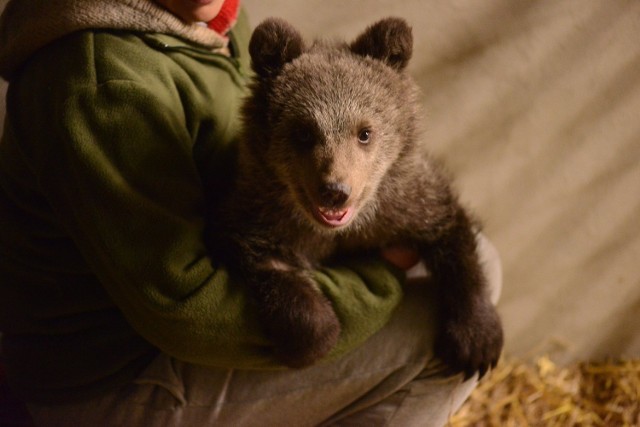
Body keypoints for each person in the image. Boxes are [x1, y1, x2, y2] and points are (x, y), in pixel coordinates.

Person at [0, 0, 503, 425]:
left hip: (182, 312)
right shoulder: (102, 82)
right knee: (432, 329)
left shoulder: (213, 17)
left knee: (474, 276)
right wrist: (381, 278)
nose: (337, 178)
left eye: (364, 138)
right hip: (112, 377)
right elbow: (186, 312)